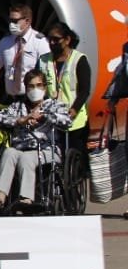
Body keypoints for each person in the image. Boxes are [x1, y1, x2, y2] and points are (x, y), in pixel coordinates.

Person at [0, 69, 71, 214]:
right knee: (9, 152)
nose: (35, 89)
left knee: (27, 157)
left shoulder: (53, 105)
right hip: (20, 148)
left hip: (47, 150)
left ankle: (26, 199)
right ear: (26, 88)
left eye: (39, 85)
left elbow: (67, 121)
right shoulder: (17, 106)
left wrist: (45, 116)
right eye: (31, 86)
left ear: (45, 87)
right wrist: (20, 120)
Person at [38, 22, 91, 164]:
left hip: (74, 118)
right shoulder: (44, 60)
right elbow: (38, 86)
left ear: (67, 40)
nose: (52, 43)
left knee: (75, 159)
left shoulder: (79, 60)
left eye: (56, 39)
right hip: (51, 116)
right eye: (50, 39)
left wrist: (74, 109)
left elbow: (84, 90)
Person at [0, 4, 50, 110]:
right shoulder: (5, 42)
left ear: (27, 21)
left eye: (15, 21)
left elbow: (48, 73)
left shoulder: (40, 42)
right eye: (10, 20)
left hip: (33, 100)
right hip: (11, 99)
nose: (11, 24)